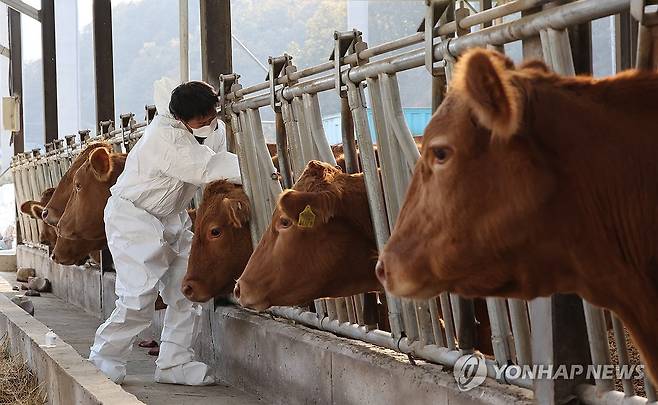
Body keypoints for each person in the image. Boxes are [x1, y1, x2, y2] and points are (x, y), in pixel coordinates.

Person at [88, 78, 241, 385]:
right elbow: (206, 170)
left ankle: (175, 361)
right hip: (133, 216)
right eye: (202, 121)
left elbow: (216, 171)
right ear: (181, 119)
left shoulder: (215, 130)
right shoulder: (164, 137)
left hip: (172, 215)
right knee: (138, 296)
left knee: (188, 287)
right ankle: (105, 357)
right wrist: (257, 169)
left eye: (212, 117)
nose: (209, 124)